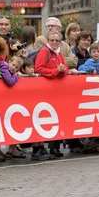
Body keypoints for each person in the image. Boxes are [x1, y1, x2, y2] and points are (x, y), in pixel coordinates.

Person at [34, 31, 68, 160]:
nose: (54, 42)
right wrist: (56, 71)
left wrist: (61, 71)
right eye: (52, 40)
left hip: (53, 91)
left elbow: (64, 68)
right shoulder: (44, 51)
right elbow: (39, 69)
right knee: (41, 119)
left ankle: (46, 148)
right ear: (48, 40)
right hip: (43, 90)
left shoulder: (58, 52)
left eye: (57, 40)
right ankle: (38, 149)